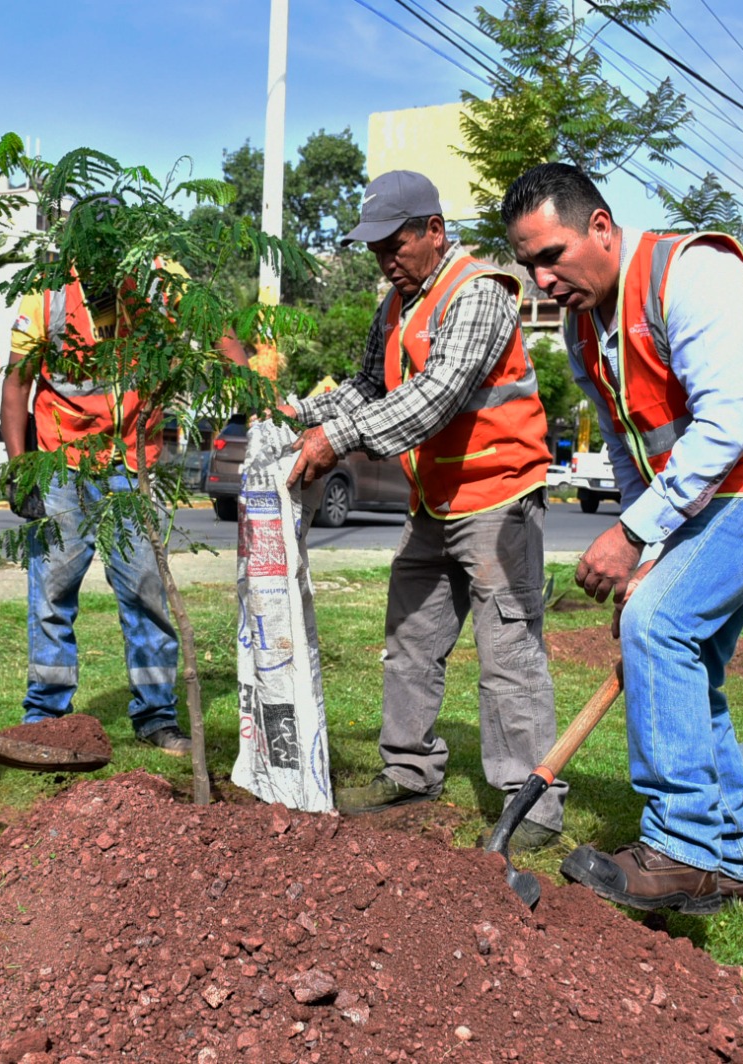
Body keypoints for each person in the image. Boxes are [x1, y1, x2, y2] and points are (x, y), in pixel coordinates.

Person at [502, 162, 743, 913]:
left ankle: (682, 846)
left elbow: (725, 425)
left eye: (550, 255)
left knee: (659, 627)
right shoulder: (582, 328)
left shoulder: (691, 275)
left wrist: (630, 538)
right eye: (528, 265)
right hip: (719, 494)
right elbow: (634, 451)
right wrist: (646, 547)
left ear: (600, 228)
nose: (541, 279)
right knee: (682, 663)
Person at [282, 170, 565, 852]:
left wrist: (338, 439)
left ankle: (530, 806)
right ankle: (409, 772)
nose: (384, 258)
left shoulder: (478, 295)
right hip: (434, 502)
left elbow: (436, 396)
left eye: (395, 242)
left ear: (434, 231)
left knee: (508, 656)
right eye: (374, 247)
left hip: (497, 501)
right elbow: (365, 387)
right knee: (409, 638)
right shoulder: (397, 303)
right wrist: (296, 417)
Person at [0, 263, 192, 756]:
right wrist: (21, 468)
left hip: (132, 465)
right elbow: (17, 385)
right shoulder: (45, 297)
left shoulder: (159, 285)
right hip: (62, 463)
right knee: (52, 592)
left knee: (146, 589)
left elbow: (206, 343)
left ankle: (157, 717)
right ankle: (45, 718)